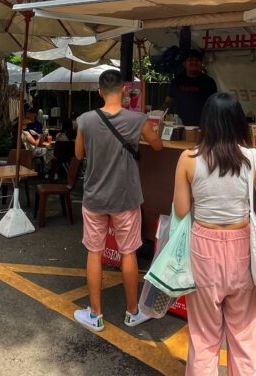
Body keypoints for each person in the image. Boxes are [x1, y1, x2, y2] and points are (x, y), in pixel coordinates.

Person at [173, 92, 256, 375]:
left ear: (206, 123)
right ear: (239, 123)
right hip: (242, 251)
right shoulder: (253, 158)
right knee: (244, 334)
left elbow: (182, 209)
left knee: (203, 336)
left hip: (203, 250)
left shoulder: (188, 158)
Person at [73, 69, 163, 332]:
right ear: (124, 90)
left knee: (94, 251)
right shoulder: (138, 119)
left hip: (94, 197)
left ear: (99, 92)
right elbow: (157, 145)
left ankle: (96, 315)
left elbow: (79, 154)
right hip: (126, 198)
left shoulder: (85, 120)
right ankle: (132, 312)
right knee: (128, 252)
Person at [163, 49, 217, 127]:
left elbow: (214, 105)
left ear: (201, 63)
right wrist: (163, 117)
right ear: (184, 64)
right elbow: (167, 102)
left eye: (197, 60)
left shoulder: (209, 82)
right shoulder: (177, 81)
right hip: (180, 125)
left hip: (203, 125)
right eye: (190, 60)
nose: (194, 62)